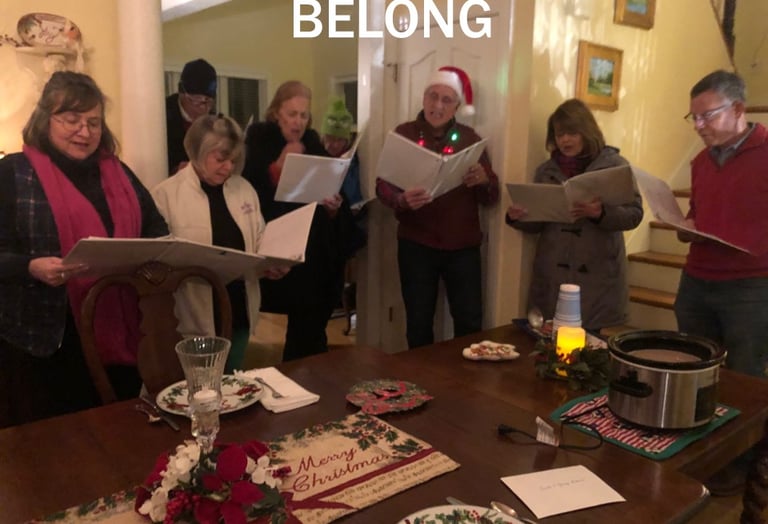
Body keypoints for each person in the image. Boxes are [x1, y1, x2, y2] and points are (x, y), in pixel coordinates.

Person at [0, 71, 169, 427]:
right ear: (46, 119)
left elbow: (156, 228)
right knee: (55, 447)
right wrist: (30, 267)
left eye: (93, 122)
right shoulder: (13, 173)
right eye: (72, 119)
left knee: (115, 435)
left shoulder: (119, 172)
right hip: (43, 343)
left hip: (117, 331)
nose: (85, 131)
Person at [152, 115, 287, 373]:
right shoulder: (166, 195)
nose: (228, 168)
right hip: (192, 311)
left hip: (238, 308)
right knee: (200, 385)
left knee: (231, 381)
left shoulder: (243, 188)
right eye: (220, 159)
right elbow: (159, 258)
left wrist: (273, 262)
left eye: (234, 160)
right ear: (197, 152)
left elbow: (258, 238)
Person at [376, 66, 499, 349]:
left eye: (446, 99)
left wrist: (483, 180)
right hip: (416, 245)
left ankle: (464, 385)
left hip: (463, 247)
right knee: (418, 323)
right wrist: (401, 200)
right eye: (433, 97)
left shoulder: (470, 139)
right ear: (423, 98)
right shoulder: (403, 134)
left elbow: (490, 197)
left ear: (457, 106)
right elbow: (382, 185)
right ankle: (420, 385)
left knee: (469, 323)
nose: (438, 105)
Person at [506, 98, 643, 331]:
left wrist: (601, 213)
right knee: (550, 345)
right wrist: (518, 217)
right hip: (553, 274)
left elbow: (634, 214)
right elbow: (540, 223)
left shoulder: (615, 166)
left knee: (592, 350)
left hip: (597, 276)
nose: (565, 140)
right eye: (559, 134)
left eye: (571, 133)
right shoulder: (546, 171)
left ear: (586, 132)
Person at [242, 81, 355, 361]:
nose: (298, 122)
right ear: (276, 112)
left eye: (303, 115)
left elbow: (334, 192)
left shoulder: (314, 143)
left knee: (310, 330)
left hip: (311, 252)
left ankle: (311, 378)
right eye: (292, 114)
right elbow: (246, 193)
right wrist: (277, 169)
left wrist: (333, 208)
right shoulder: (257, 142)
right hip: (272, 243)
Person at [674, 70, 768, 378]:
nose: (699, 126)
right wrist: (686, 226)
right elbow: (698, 211)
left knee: (745, 374)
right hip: (696, 280)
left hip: (750, 285)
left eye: (708, 116)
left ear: (738, 109)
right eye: (694, 117)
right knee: (693, 366)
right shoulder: (701, 162)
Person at [165, 58, 217, 176]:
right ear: (182, 93)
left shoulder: (213, 120)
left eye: (208, 101)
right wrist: (174, 169)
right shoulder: (162, 116)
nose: (203, 108)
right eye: (196, 100)